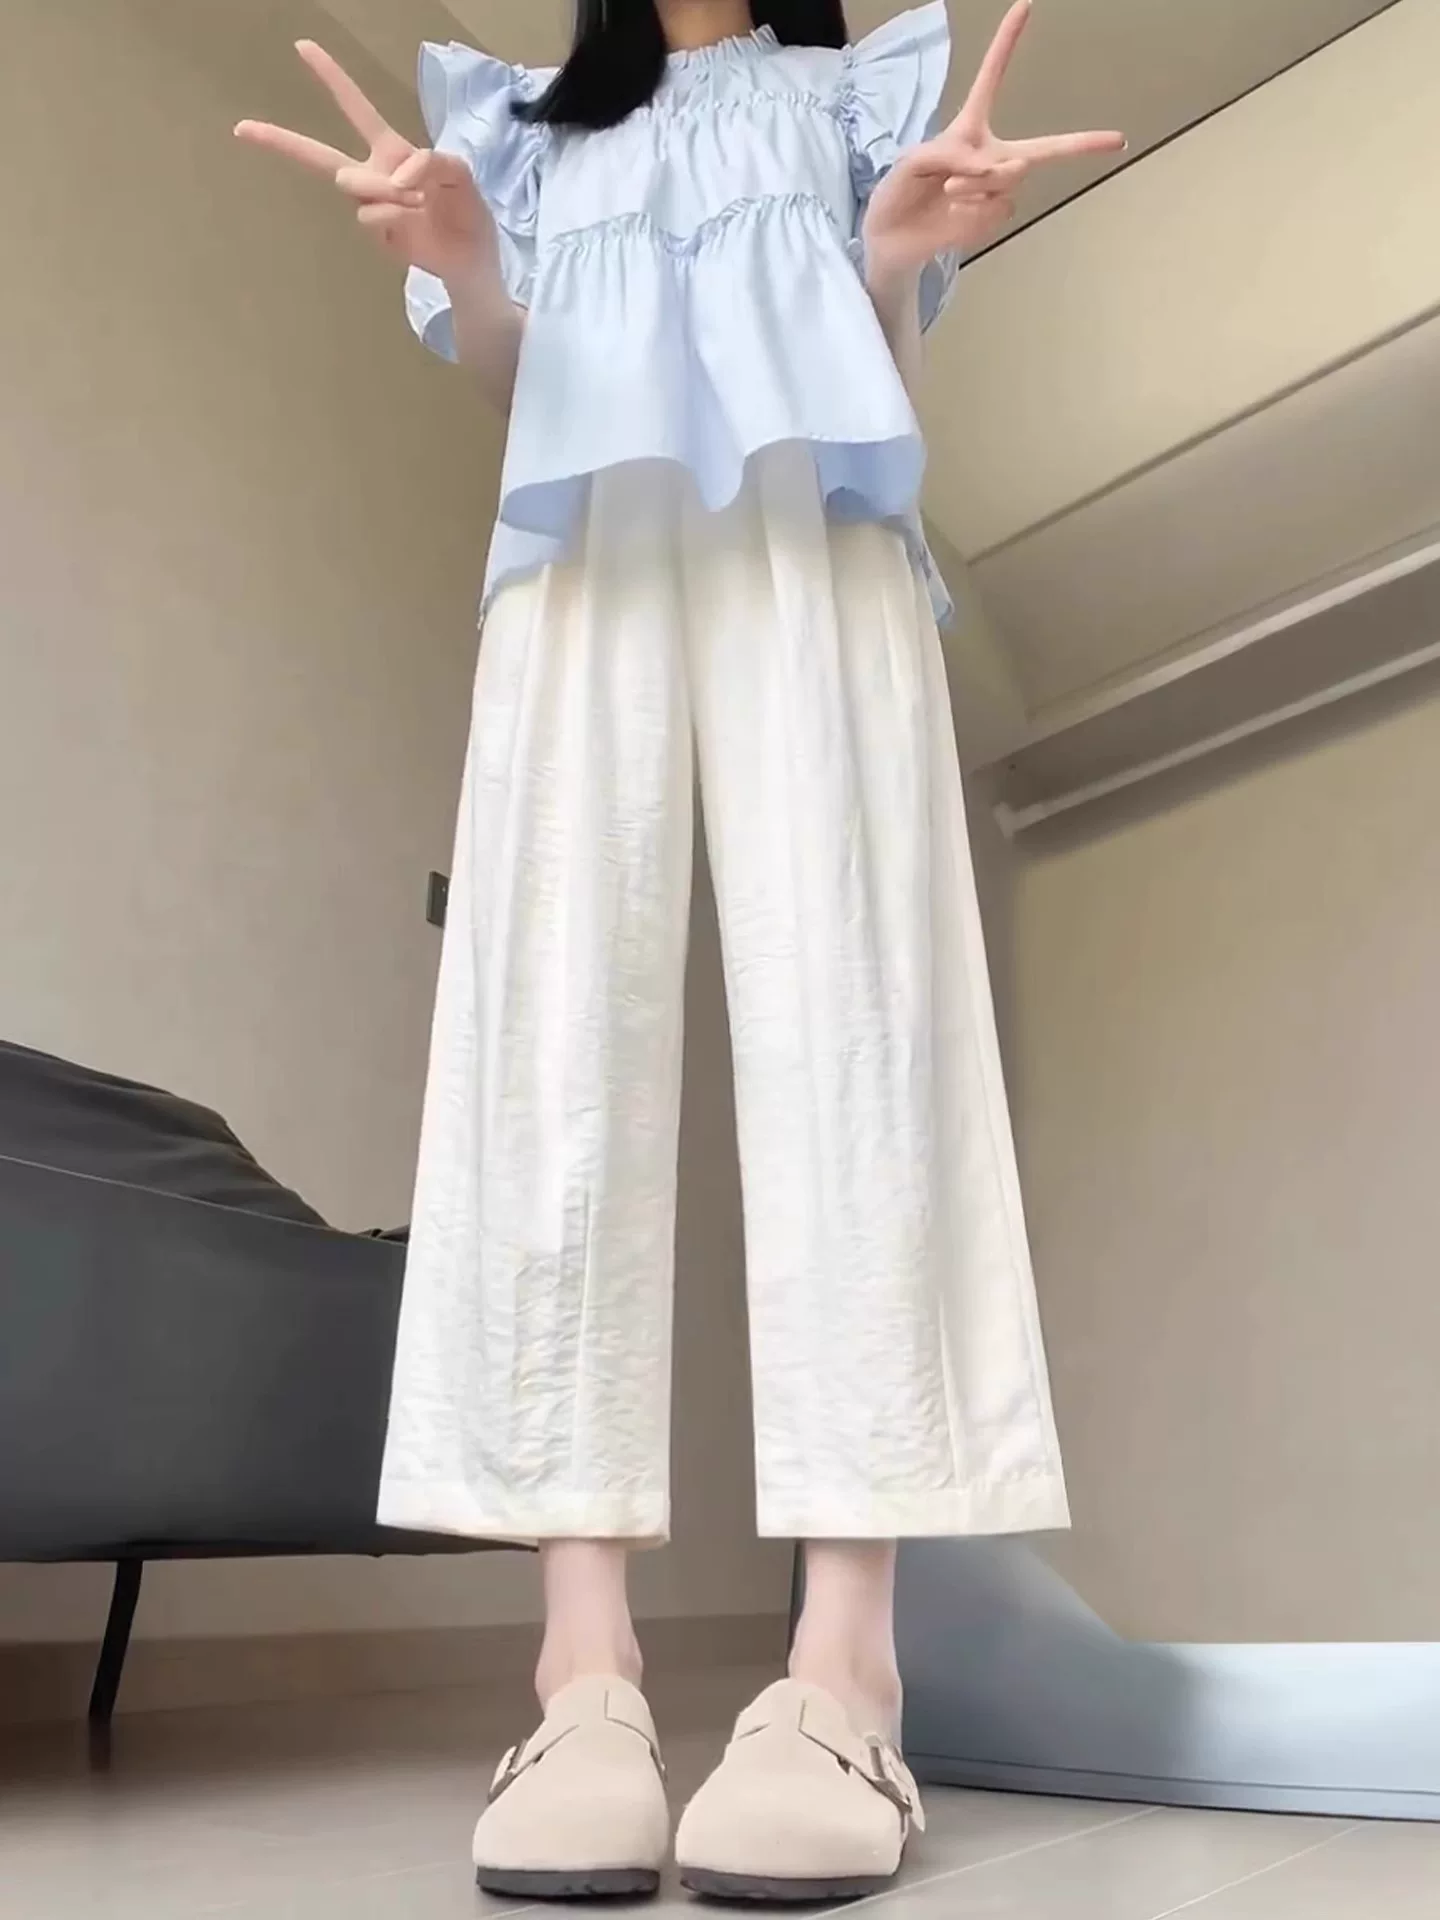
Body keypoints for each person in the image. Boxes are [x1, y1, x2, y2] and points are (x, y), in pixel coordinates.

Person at [237, 0, 1121, 1902]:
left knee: (862, 1021)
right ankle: (583, 1675)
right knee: (548, 1031)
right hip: (582, 558)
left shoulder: (848, 96)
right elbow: (527, 384)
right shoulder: (528, 130)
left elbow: (864, 372)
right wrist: (474, 269)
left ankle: (847, 1668)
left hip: (817, 536)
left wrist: (894, 258)